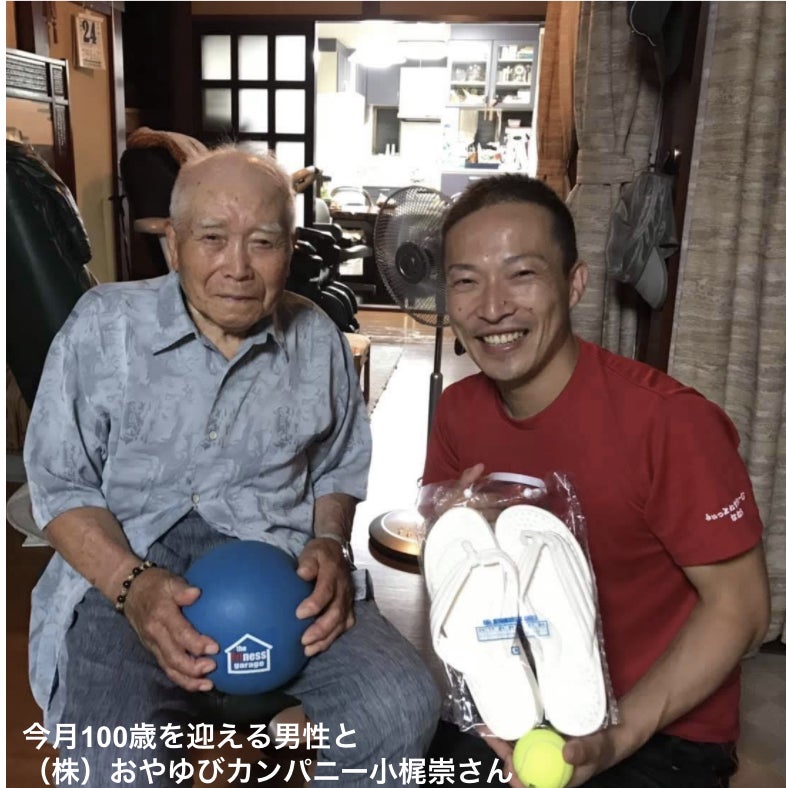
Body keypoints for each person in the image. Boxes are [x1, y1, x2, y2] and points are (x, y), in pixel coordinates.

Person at [24, 147, 441, 786]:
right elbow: (60, 483)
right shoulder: (104, 327)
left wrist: (330, 542)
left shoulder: (316, 338)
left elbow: (336, 467)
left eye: (264, 242)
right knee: (113, 760)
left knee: (399, 706)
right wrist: (131, 587)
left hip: (280, 568)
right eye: (212, 238)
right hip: (128, 568)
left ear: (291, 249)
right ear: (173, 245)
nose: (238, 268)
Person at [422, 174, 770, 788]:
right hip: (519, 704)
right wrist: (455, 532)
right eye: (466, 281)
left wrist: (617, 738)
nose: (493, 307)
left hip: (662, 727)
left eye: (521, 274)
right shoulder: (457, 412)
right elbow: (459, 571)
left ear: (575, 283)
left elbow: (741, 608)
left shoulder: (670, 422)